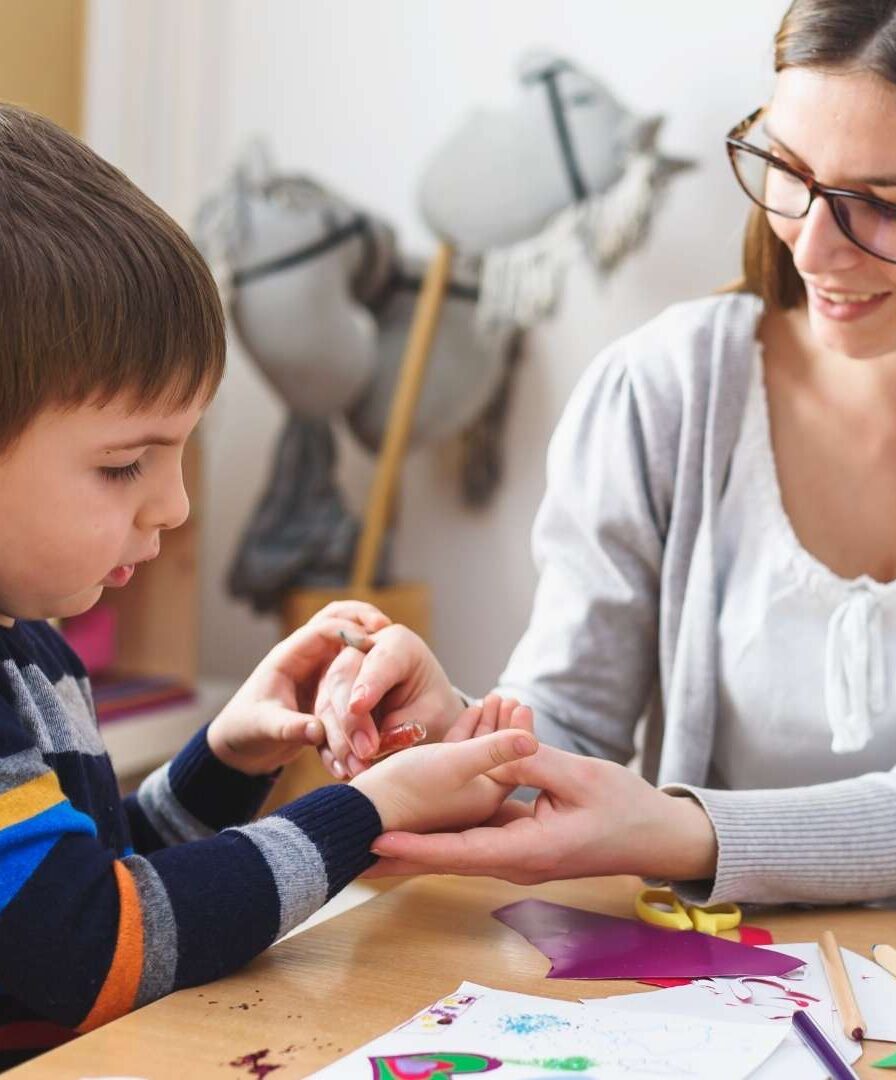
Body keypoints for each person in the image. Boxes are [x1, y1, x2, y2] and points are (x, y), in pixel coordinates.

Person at [313, 0, 896, 932]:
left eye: (890, 206)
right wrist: (454, 729)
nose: (812, 245)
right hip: (716, 987)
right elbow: (570, 727)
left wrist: (685, 832)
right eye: (790, 172)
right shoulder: (665, 390)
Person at [0, 102, 537, 1068]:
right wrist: (370, 815)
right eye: (127, 464)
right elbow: (100, 952)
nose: (171, 506)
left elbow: (100, 879)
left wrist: (228, 759)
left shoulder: (30, 643)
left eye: (180, 452)